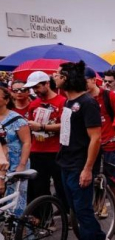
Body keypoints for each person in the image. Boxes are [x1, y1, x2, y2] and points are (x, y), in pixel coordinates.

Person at [57, 62, 109, 240]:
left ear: (68, 78)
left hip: (80, 164)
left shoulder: (87, 103)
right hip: (66, 162)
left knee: (82, 209)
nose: (55, 77)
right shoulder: (68, 102)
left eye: (58, 74)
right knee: (76, 209)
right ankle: (100, 238)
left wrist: (88, 169)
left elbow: (95, 138)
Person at [85, 67, 115, 234]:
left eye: (85, 80)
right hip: (91, 147)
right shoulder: (82, 99)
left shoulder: (108, 96)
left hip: (110, 146)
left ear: (92, 80)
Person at [24, 71, 68, 210]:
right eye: (33, 88)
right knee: (40, 188)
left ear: (47, 84)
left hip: (57, 151)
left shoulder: (62, 101)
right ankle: (45, 219)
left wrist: (43, 126)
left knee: (61, 186)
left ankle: (67, 214)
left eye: (37, 87)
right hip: (37, 151)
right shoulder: (34, 104)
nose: (35, 91)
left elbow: (66, 126)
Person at [0, 86, 31, 217]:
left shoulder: (17, 119)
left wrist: (22, 165)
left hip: (16, 163)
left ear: (6, 100)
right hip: (1, 162)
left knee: (16, 200)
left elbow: (27, 142)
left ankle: (21, 232)